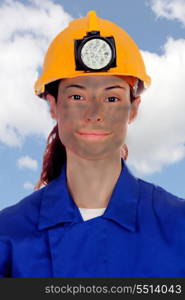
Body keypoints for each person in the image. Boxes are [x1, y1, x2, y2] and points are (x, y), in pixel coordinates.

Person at [0, 10, 185, 278]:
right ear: (53, 106)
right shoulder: (8, 235)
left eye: (112, 98)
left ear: (133, 109)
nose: (94, 113)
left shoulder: (178, 226)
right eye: (77, 96)